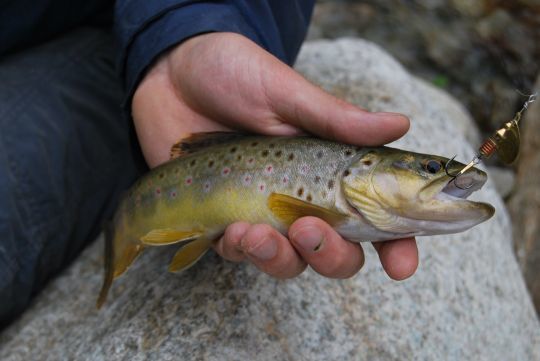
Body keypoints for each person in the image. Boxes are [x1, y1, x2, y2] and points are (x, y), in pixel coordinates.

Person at [0, 1, 418, 328]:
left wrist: (182, 31)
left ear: (365, 166)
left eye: (430, 171)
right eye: (431, 171)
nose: (440, 178)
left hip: (105, 39)